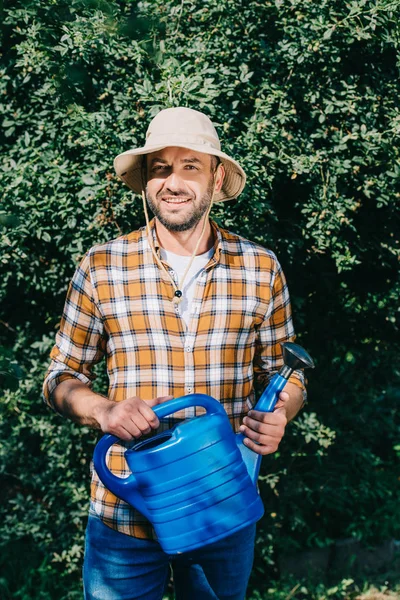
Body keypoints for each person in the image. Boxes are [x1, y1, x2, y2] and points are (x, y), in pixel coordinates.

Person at [43, 107, 306, 600]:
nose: (173, 182)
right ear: (146, 181)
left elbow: (285, 375)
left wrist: (282, 414)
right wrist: (102, 409)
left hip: (220, 509)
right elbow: (60, 376)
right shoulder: (103, 265)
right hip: (126, 510)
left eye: (190, 166)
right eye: (161, 168)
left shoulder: (260, 267)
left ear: (217, 176)